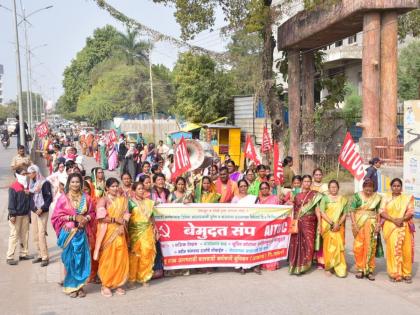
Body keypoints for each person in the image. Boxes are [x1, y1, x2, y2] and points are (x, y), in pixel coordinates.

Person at [51, 173, 95, 297]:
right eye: (73, 182)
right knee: (70, 260)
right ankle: (71, 287)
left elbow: (92, 213)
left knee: (81, 260)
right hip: (69, 234)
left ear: (81, 184)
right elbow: (56, 217)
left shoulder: (86, 198)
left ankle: (80, 286)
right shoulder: (63, 199)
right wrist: (73, 217)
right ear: (69, 183)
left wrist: (85, 219)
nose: (75, 184)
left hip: (81, 233)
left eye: (77, 182)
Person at [94, 178, 130, 297]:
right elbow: (100, 217)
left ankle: (118, 283)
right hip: (108, 232)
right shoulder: (103, 200)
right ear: (107, 188)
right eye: (112, 186)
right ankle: (106, 284)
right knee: (108, 258)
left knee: (120, 257)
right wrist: (115, 220)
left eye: (116, 186)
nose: (115, 188)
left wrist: (122, 225)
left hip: (120, 232)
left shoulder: (123, 200)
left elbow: (126, 214)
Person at [380, 178, 414, 283]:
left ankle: (406, 273)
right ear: (391, 187)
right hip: (390, 225)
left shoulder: (407, 198)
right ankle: (394, 273)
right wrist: (394, 220)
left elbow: (410, 211)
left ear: (401, 187)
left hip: (404, 225)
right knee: (393, 249)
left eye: (398, 186)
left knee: (405, 249)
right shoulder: (386, 198)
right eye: (394, 186)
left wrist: (401, 219)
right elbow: (381, 212)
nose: (396, 187)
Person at [288, 175, 323, 275]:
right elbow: (294, 209)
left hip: (310, 223)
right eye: (305, 181)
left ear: (311, 183)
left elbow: (317, 210)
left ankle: (306, 264)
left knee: (309, 244)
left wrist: (320, 224)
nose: (307, 183)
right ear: (302, 183)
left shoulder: (315, 195)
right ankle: (297, 265)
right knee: (297, 244)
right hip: (299, 222)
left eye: (309, 181)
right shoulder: (297, 195)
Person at [349, 179, 382, 280]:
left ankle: (369, 270)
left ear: (373, 189)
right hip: (359, 224)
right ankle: (360, 268)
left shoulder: (377, 198)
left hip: (372, 224)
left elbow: (378, 212)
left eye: (370, 190)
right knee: (358, 247)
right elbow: (352, 211)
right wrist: (354, 224)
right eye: (366, 190)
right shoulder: (357, 196)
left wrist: (378, 225)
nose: (368, 192)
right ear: (363, 188)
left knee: (371, 246)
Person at [127, 182, 157, 288]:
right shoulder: (130, 203)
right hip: (134, 232)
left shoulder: (148, 202)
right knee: (134, 255)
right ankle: (131, 279)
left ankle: (144, 277)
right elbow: (126, 218)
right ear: (134, 191)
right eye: (139, 189)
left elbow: (152, 217)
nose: (141, 190)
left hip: (147, 231)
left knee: (146, 253)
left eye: (142, 188)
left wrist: (155, 228)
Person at [319, 180, 348, 278]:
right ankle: (329, 267)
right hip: (328, 225)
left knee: (339, 247)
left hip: (338, 226)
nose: (333, 189)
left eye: (335, 187)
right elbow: (322, 212)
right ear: (329, 188)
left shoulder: (343, 199)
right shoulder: (325, 198)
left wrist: (338, 224)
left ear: (338, 188)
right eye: (331, 187)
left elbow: (345, 213)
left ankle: (339, 266)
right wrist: (332, 223)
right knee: (329, 247)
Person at [6, 167, 34, 265]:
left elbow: (30, 200)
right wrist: (12, 214)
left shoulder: (27, 186)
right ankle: (9, 257)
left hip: (25, 214)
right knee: (14, 235)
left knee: (25, 235)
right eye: (23, 174)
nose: (25, 175)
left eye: (26, 174)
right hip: (16, 215)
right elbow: (11, 202)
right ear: (17, 175)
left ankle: (23, 254)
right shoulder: (13, 187)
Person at [28, 165, 53, 267]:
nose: (29, 175)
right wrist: (34, 209)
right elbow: (30, 198)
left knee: (41, 234)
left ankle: (44, 257)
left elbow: (49, 198)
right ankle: (39, 254)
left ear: (36, 172)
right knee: (35, 234)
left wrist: (41, 209)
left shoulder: (44, 182)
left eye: (31, 172)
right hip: (34, 211)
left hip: (43, 211)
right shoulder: (31, 184)